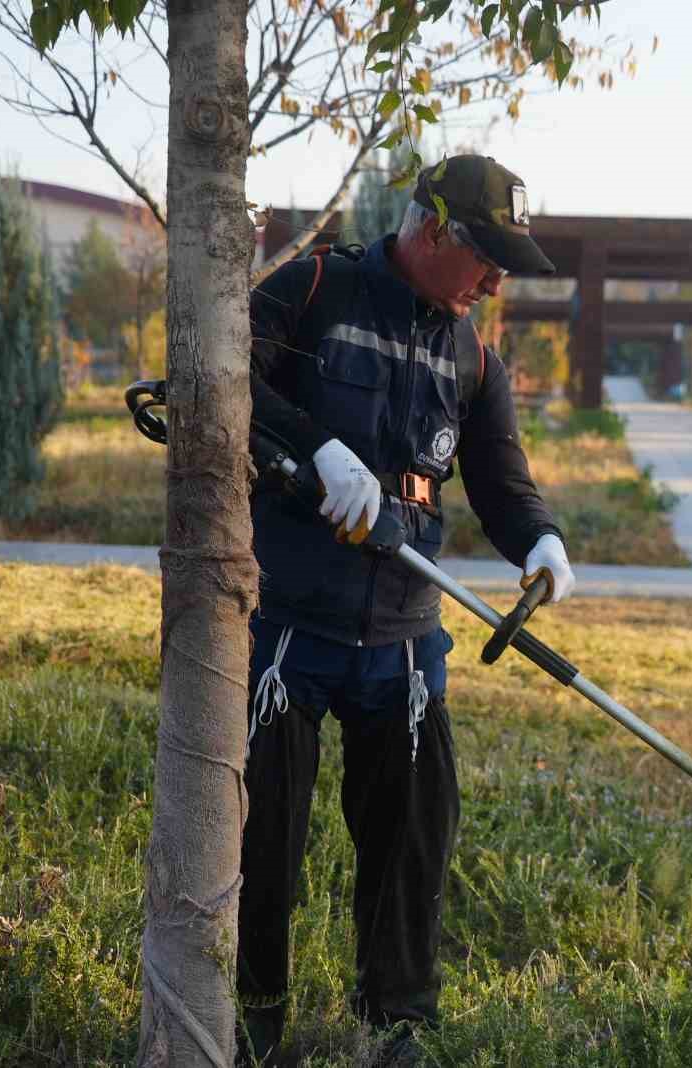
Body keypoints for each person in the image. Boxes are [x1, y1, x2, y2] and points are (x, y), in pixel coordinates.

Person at [238, 155, 576, 1065]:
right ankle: (250, 1018)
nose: (498, 282)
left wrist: (538, 539)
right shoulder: (314, 287)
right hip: (287, 622)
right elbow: (222, 375)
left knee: (414, 835)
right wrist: (316, 449)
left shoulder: (473, 354)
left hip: (405, 635)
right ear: (434, 230)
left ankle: (396, 1023)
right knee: (263, 829)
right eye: (489, 260)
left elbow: (501, 477)